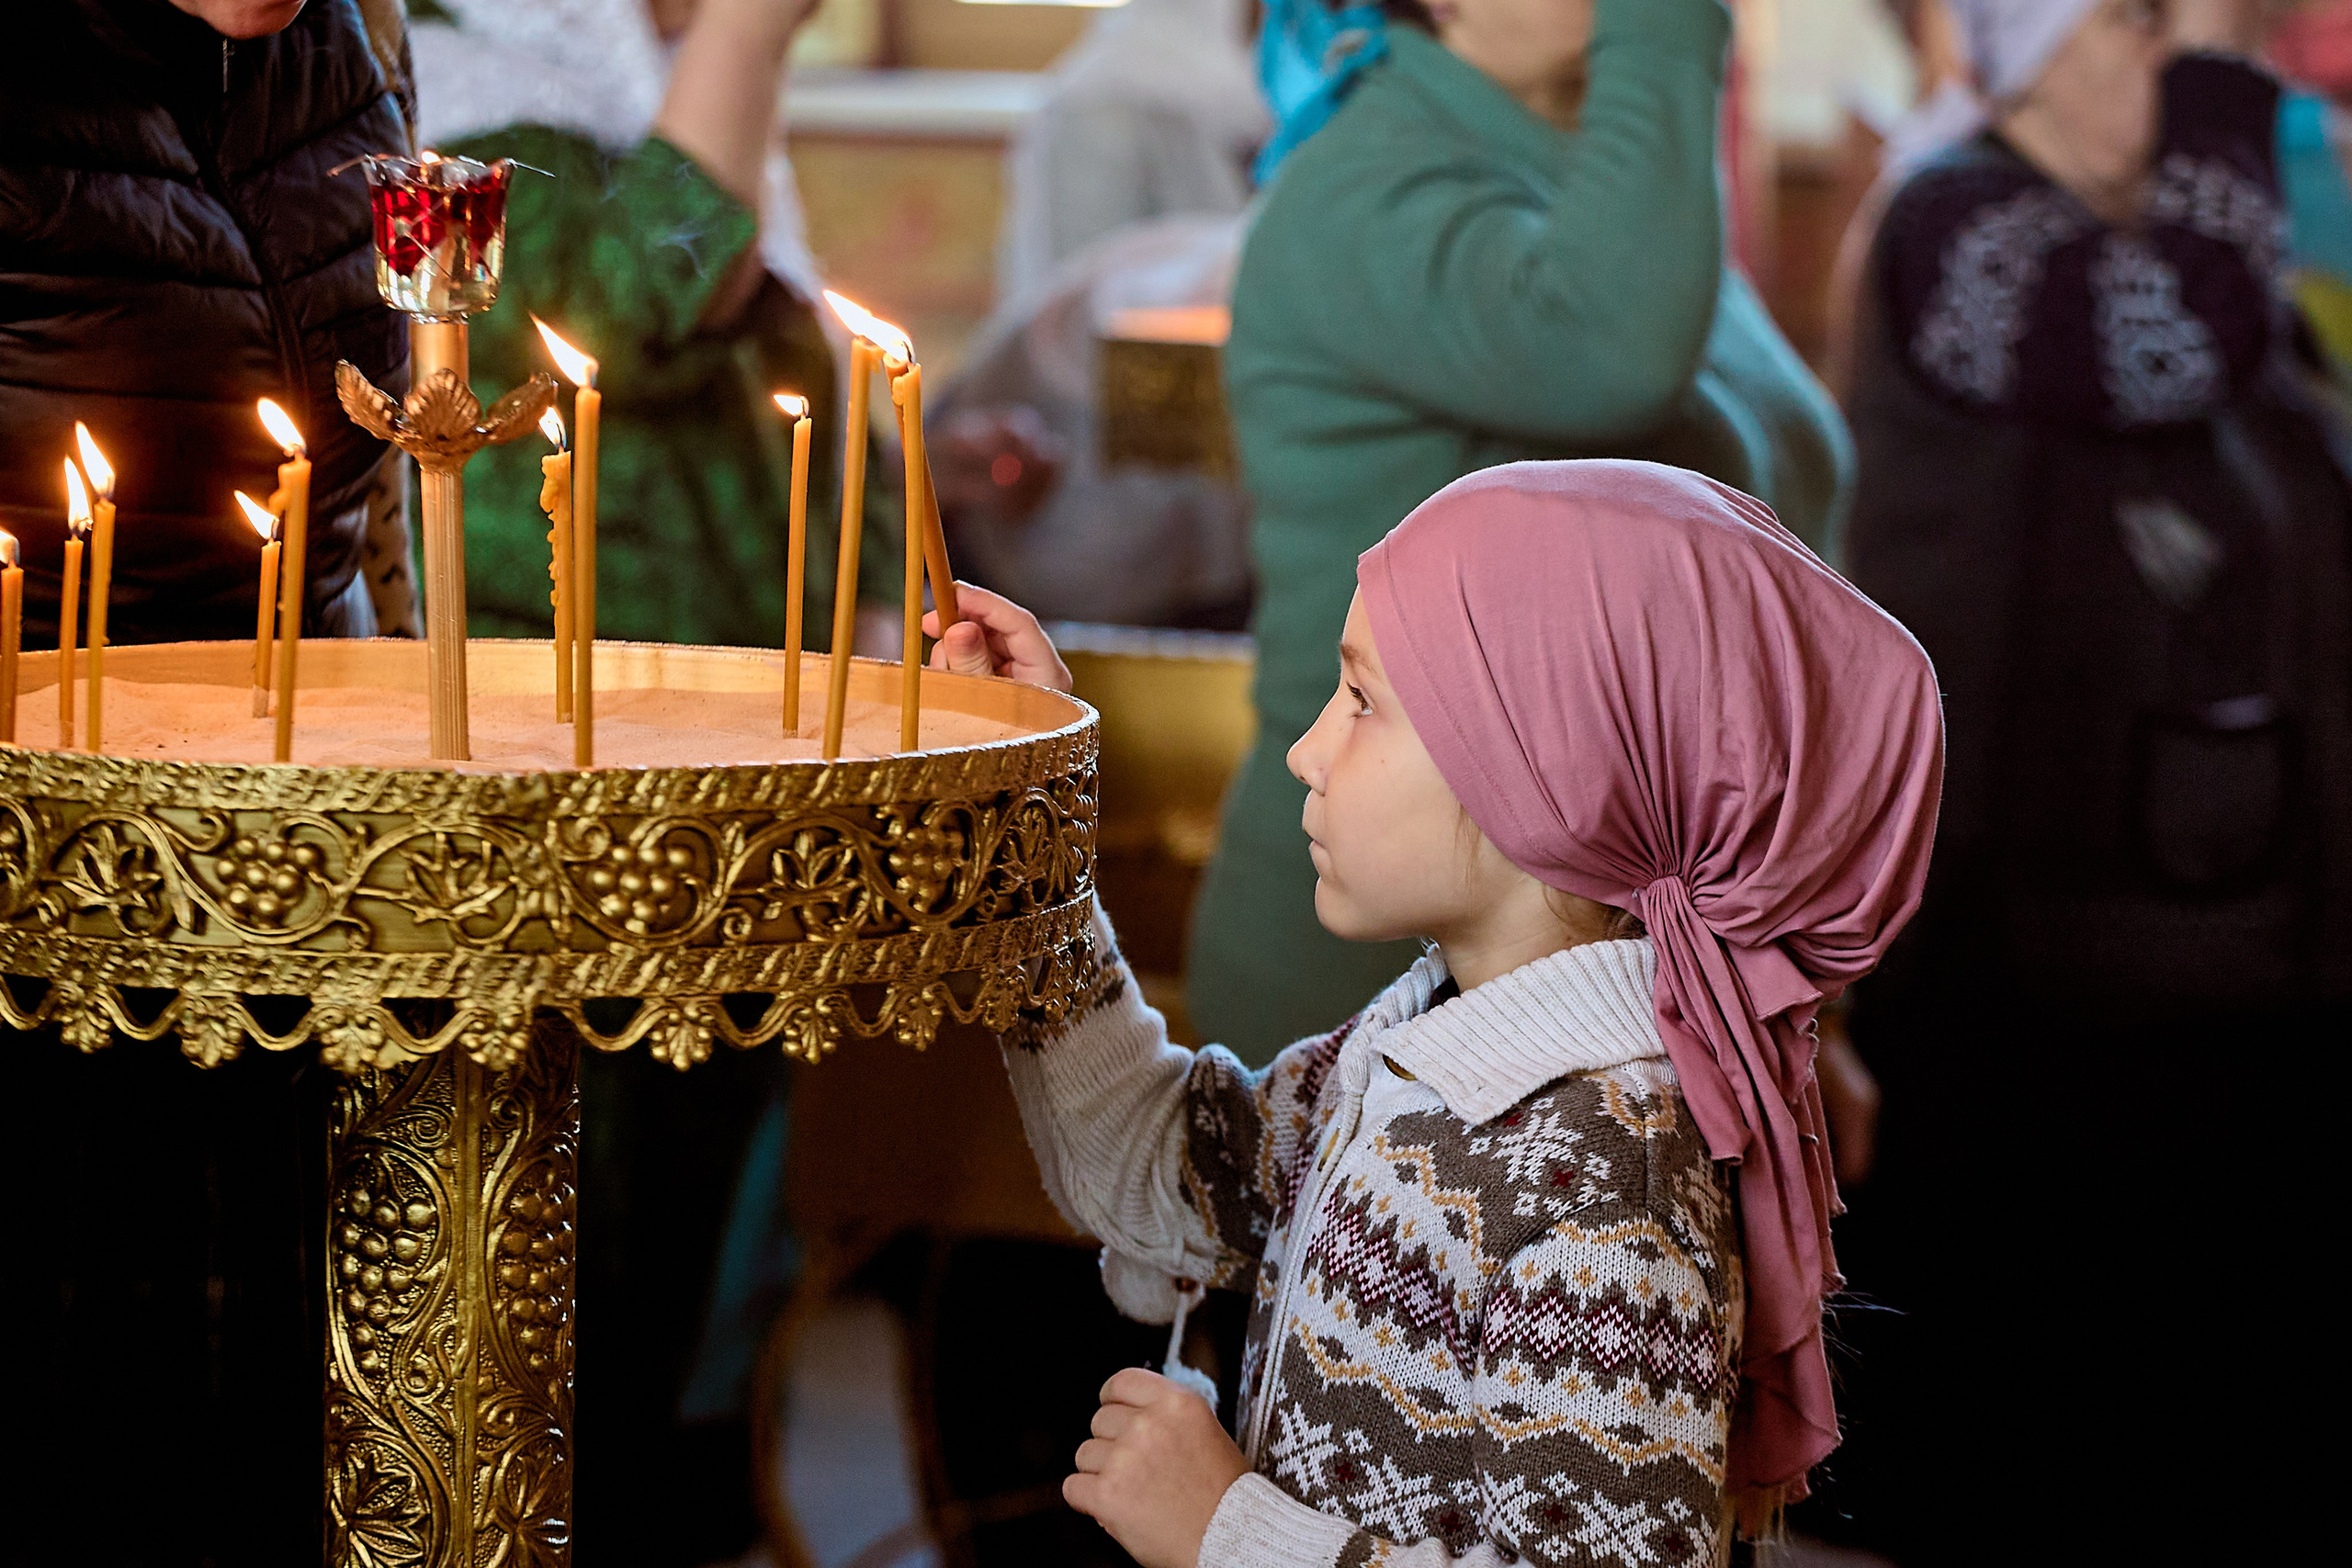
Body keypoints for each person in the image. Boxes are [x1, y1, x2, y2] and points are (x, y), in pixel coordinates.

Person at [925, 459, 1944, 1566]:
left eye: (1362, 702)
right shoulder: (1409, 1050)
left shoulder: (1604, 1192)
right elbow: (1150, 1167)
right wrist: (1019, 802)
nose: (1307, 752)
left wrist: (1231, 1533)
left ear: (1542, 772)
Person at [1834, 2, 2352, 1560]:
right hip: (2036, 965)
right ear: (2032, 48)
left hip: (2201, 938)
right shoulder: (1959, 225)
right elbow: (2165, 341)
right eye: (2136, 15)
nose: (2187, 44)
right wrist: (2216, 85)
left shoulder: (2182, 247)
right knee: (2057, 1419)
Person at [404, 2, 894, 1561]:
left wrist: (880, 615)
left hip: (738, 776)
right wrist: (751, 36)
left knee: (708, 1196)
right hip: (557, 775)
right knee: (571, 1229)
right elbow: (636, 294)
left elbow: (781, 350)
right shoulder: (427, 98)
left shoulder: (636, 86)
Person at [1188, 0, 1854, 1063]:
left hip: (1615, 955)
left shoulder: (1574, 169)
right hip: (1395, 977)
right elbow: (1614, 353)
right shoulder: (1363, 188)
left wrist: (1800, 995)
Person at [1, 3, 413, 1562]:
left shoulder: (346, 34)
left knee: (287, 1459)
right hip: (40, 921)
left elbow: (377, 499)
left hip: (310, 884)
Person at [411, 0, 902, 653]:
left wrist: (871, 593)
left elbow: (790, 374)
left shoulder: (653, 70)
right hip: (560, 668)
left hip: (757, 661)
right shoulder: (435, 64)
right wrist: (745, 28)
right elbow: (623, 313)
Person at [0, 0, 413, 644]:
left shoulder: (362, 24)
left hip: (330, 716)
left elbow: (379, 506)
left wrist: (410, 693)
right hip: (59, 728)